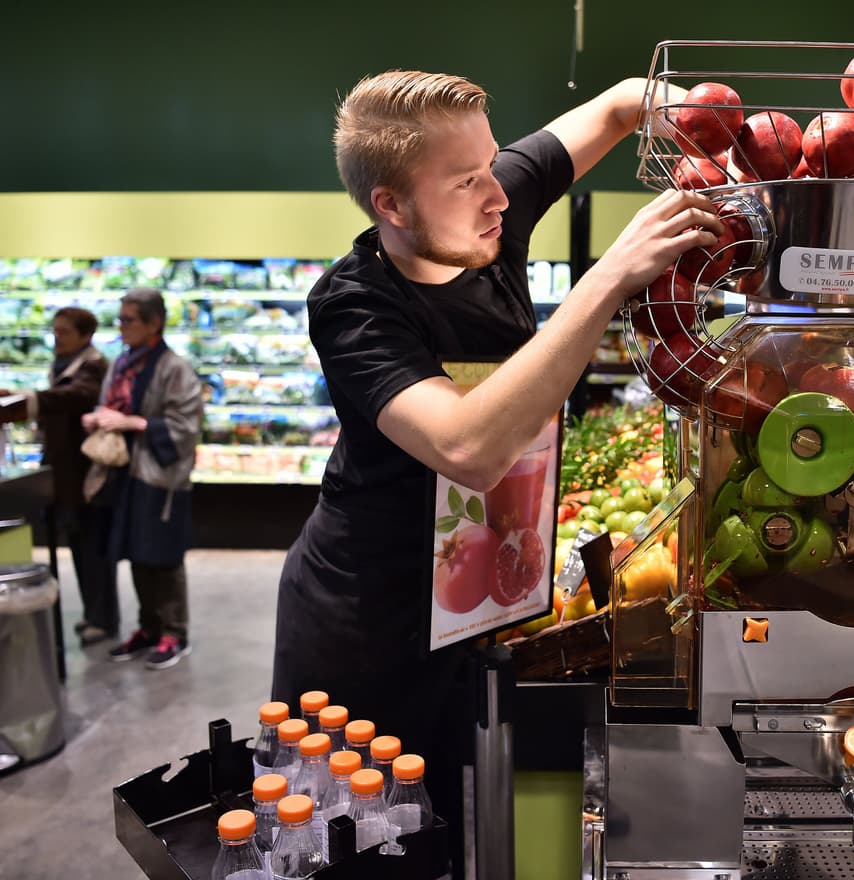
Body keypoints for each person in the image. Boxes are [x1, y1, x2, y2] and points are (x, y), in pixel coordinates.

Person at [269, 70, 719, 873]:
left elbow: (624, 102)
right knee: (366, 842)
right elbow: (469, 449)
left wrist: (722, 140)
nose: (500, 195)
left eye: (492, 164)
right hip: (368, 620)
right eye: (467, 180)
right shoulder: (355, 307)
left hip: (473, 601)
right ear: (391, 205)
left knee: (455, 820)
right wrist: (609, 277)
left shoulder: (483, 214)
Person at [84, 288, 204, 670]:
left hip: (160, 476)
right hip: (125, 472)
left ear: (154, 323)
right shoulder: (123, 362)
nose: (121, 326)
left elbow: (185, 428)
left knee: (163, 555)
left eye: (128, 319)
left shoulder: (175, 368)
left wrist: (130, 423)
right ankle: (149, 628)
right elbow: (112, 404)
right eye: (119, 319)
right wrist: (99, 418)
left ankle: (174, 633)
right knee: (137, 552)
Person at [0, 307, 115, 644]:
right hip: (66, 476)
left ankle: (103, 618)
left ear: (86, 335)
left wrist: (24, 403)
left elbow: (72, 397)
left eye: (64, 331)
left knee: (93, 548)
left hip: (87, 475)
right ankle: (94, 614)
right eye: (55, 330)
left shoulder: (93, 366)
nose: (57, 337)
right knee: (79, 544)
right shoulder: (66, 364)